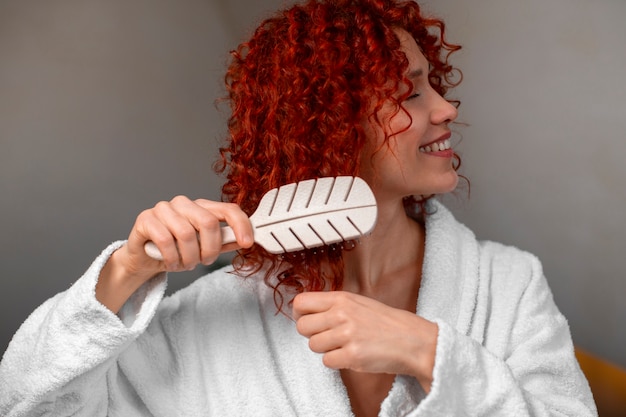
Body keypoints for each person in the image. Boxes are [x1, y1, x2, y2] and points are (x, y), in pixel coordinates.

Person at [0, 0, 596, 416]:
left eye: (434, 83)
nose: (447, 109)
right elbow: (31, 405)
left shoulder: (508, 284)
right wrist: (125, 272)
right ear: (335, 125)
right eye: (411, 91)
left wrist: (428, 352)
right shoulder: (209, 320)